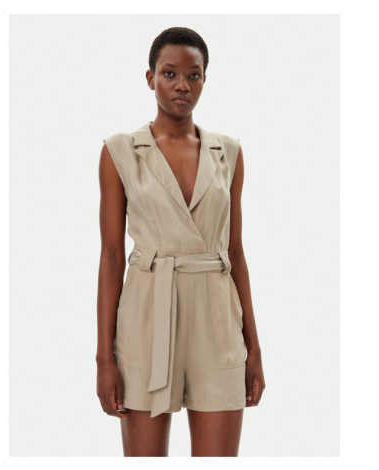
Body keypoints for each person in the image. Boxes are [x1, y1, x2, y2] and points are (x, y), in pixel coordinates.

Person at [96, 26, 265, 457]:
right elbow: (112, 256)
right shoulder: (119, 151)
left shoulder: (229, 152)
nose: (182, 85)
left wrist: (254, 348)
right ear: (150, 77)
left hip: (218, 321)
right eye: (169, 73)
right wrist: (104, 358)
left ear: (205, 79)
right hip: (146, 317)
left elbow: (235, 252)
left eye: (194, 75)